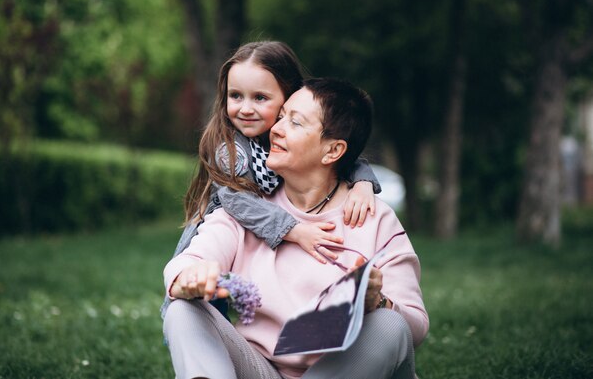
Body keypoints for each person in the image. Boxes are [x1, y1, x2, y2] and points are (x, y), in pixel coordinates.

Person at [163, 78, 429, 379]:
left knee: (389, 324)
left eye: (295, 122)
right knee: (183, 310)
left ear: (332, 151)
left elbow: (414, 327)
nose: (275, 129)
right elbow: (190, 260)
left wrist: (378, 302)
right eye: (280, 117)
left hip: (342, 369)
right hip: (260, 368)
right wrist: (188, 277)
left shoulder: (374, 218)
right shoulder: (249, 208)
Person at [161, 41, 381, 317]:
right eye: (236, 96)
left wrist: (362, 182)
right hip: (227, 235)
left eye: (260, 98)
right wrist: (295, 230)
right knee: (208, 310)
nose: (245, 109)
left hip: (264, 237)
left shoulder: (285, 135)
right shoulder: (231, 149)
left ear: (289, 98)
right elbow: (237, 201)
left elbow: (333, 151)